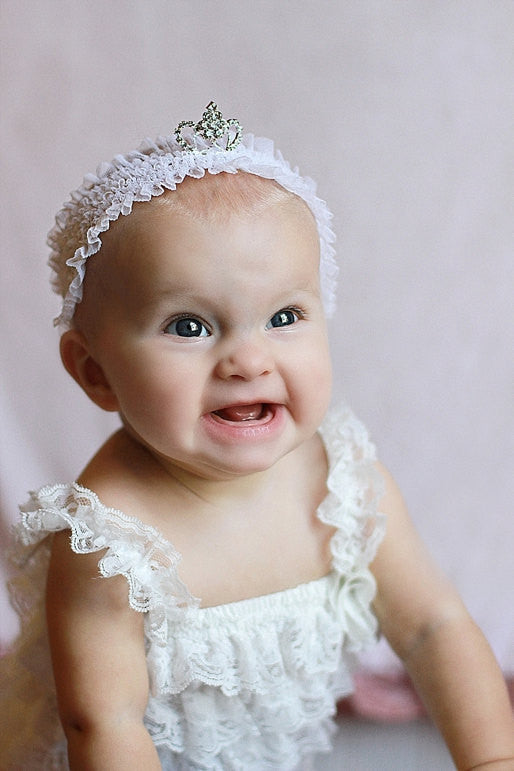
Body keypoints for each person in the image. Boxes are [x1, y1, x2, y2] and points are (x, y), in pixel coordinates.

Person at [1, 102, 513, 771]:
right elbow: (104, 721)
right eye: (188, 325)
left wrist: (491, 758)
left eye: (284, 315)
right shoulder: (113, 544)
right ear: (96, 372)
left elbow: (432, 626)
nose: (247, 359)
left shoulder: (345, 483)